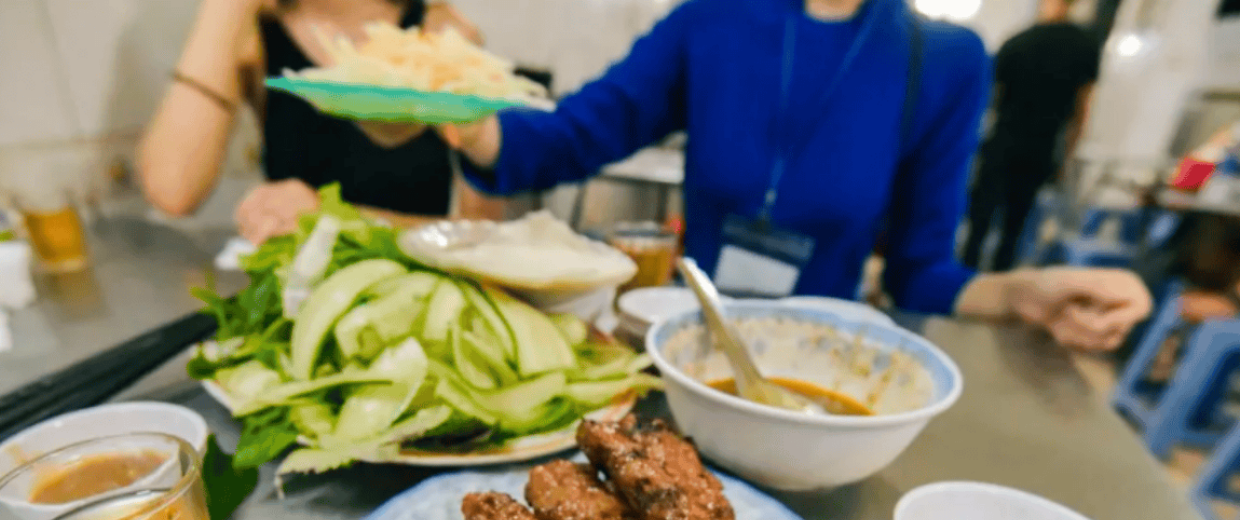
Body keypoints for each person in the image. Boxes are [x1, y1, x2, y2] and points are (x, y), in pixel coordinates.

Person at [433, 0, 1147, 352]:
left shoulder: (946, 60)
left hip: (820, 367)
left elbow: (920, 272)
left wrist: (1026, 291)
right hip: (685, 343)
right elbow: (569, 139)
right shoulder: (711, 20)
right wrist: (463, 115)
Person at [138, 0, 498, 245]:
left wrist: (335, 219)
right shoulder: (256, 37)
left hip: (414, 304)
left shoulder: (440, 36)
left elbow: (484, 237)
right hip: (301, 303)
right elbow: (172, 190)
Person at [960, 0, 1101, 272]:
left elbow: (989, 100)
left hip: (1003, 140)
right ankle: (997, 285)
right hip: (1042, 145)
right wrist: (1067, 157)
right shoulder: (1084, 45)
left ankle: (966, 276)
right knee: (1015, 226)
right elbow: (1082, 109)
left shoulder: (1018, 41)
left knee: (980, 221)